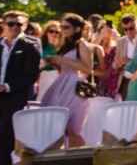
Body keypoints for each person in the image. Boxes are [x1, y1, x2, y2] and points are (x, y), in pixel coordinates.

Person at [0, 11, 41, 165]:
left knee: (4, 139)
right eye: (11, 24)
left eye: (18, 24)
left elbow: (30, 76)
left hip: (15, 98)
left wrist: (5, 86)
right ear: (4, 25)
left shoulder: (30, 46)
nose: (14, 27)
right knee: (2, 139)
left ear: (24, 26)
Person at [40, 14, 94, 148]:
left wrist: (62, 60)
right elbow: (61, 70)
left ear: (77, 29)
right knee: (59, 126)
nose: (62, 29)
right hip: (62, 83)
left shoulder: (82, 44)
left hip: (75, 86)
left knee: (72, 128)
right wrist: (53, 62)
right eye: (61, 26)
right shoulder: (64, 45)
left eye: (66, 27)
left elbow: (88, 68)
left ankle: (83, 160)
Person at [113, 13, 137, 102]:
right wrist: (118, 63)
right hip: (125, 82)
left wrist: (129, 61)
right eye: (125, 29)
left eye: (132, 28)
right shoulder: (121, 41)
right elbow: (114, 63)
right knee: (126, 111)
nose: (129, 31)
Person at [96, 21, 121, 98]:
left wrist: (118, 39)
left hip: (114, 77)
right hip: (99, 76)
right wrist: (101, 35)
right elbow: (90, 50)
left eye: (109, 28)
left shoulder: (116, 43)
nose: (107, 30)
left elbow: (122, 53)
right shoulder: (96, 43)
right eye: (103, 28)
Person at [37, 20, 61, 101]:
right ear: (46, 32)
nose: (54, 34)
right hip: (44, 75)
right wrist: (42, 64)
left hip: (58, 75)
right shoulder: (39, 45)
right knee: (43, 99)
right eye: (51, 31)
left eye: (57, 32)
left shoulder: (62, 47)